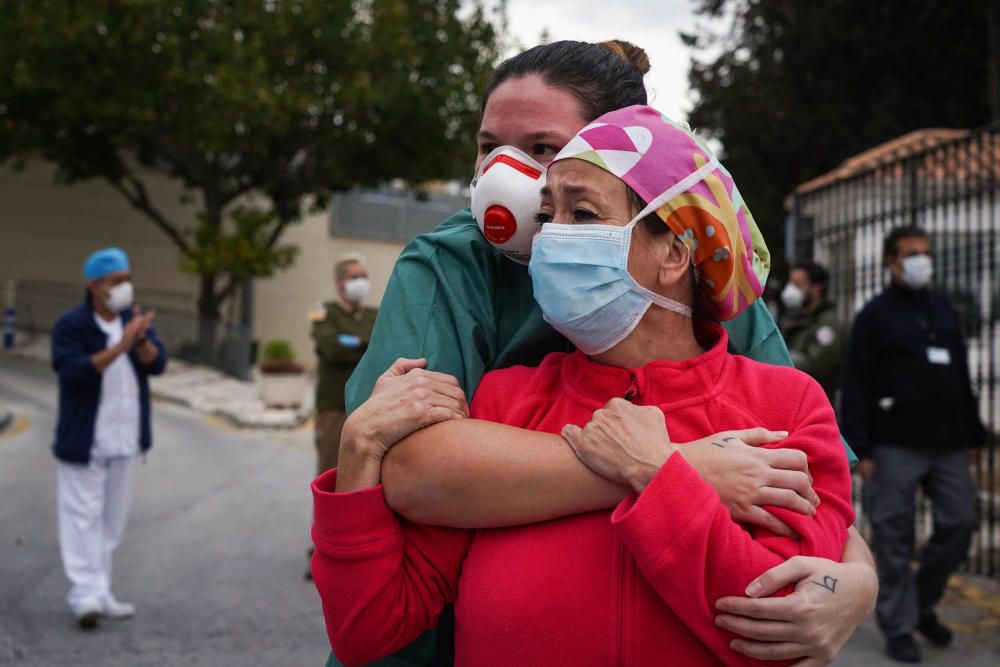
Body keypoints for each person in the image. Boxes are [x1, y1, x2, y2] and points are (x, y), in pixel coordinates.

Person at [324, 40, 877, 667]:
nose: (511, 178)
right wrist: (668, 467)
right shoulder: (478, 330)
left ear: (677, 251)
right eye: (488, 148)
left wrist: (855, 578)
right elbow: (413, 477)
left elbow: (809, 499)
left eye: (542, 150)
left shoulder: (765, 375)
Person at [841, 225, 983, 663]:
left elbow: (960, 374)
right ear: (891, 261)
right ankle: (899, 625)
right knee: (894, 537)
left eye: (925, 252)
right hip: (893, 445)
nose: (921, 259)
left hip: (948, 443)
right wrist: (860, 448)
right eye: (911, 253)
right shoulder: (875, 316)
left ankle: (919, 604)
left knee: (960, 523)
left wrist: (974, 432)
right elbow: (857, 383)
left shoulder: (942, 308)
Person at [51, 247, 167, 629]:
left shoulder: (133, 321)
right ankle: (83, 594)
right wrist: (120, 346)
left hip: (125, 439)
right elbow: (72, 372)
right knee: (81, 517)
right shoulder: (73, 325)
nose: (125, 287)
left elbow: (158, 363)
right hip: (85, 440)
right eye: (116, 282)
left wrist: (142, 342)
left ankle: (101, 590)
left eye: (127, 279)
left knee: (112, 520)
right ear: (94, 286)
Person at [304, 254, 378, 580]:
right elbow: (330, 349)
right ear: (339, 281)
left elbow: (383, 345)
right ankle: (320, 550)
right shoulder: (323, 312)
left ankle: (357, 547)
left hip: (367, 407)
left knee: (369, 480)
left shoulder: (374, 314)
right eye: (354, 276)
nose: (361, 281)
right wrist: (364, 344)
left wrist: (354, 343)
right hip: (334, 408)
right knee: (330, 477)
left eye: (363, 275)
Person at [780, 261, 846, 404]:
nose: (790, 290)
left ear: (816, 289)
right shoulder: (800, 320)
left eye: (798, 285)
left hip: (816, 403)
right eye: (790, 284)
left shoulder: (827, 324)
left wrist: (780, 361)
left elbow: (818, 367)